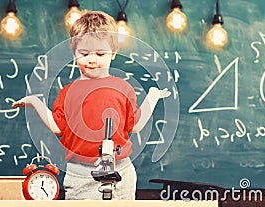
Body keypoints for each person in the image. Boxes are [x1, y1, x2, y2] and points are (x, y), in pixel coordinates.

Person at [12, 11, 170, 200]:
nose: (92, 59)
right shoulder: (68, 92)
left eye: (100, 53)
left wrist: (152, 97)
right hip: (79, 173)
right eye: (84, 54)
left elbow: (135, 125)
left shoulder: (124, 88)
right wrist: (35, 102)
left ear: (113, 54)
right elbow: (57, 127)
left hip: (121, 171)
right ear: (74, 54)